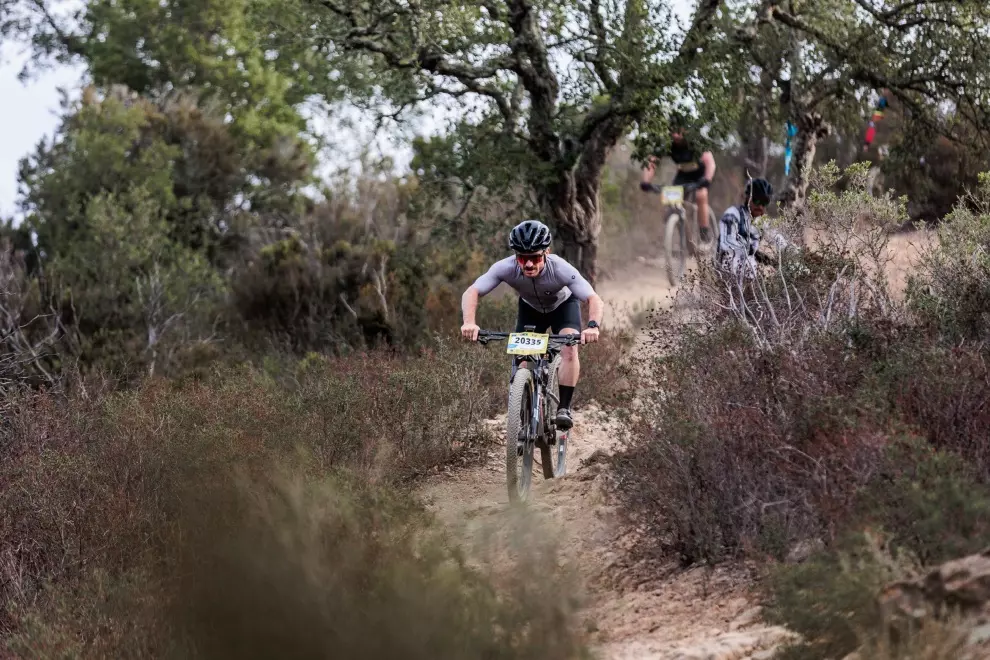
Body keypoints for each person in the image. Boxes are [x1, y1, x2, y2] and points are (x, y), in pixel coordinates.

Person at [460, 220, 605, 431]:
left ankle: (563, 408)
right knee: (522, 361)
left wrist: (593, 326)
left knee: (569, 349)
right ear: (515, 256)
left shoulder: (561, 269)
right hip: (531, 310)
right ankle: (522, 415)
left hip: (562, 308)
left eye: (535, 258)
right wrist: (469, 323)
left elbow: (594, 298)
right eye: (522, 258)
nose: (528, 264)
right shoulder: (505, 268)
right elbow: (471, 291)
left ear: (547, 252)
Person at [639, 118, 717, 243]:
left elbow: (710, 162)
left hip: (701, 174)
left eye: (678, 131)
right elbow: (652, 161)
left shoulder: (695, 141)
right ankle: (681, 231)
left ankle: (704, 231)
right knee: (672, 199)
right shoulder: (668, 144)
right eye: (672, 131)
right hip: (684, 175)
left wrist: (707, 179)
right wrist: (646, 181)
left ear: (685, 131)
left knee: (701, 195)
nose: (675, 135)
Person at [716, 177, 775, 278]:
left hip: (750, 277)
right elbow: (727, 243)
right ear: (747, 198)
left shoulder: (762, 222)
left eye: (764, 202)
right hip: (728, 275)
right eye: (756, 201)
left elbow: (778, 238)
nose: (760, 206)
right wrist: (753, 251)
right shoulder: (732, 214)